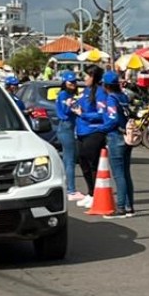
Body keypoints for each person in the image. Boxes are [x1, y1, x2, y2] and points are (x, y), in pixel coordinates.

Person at [77, 70, 134, 218]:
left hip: (116, 137)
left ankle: (121, 207)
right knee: (126, 173)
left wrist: (100, 129)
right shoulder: (123, 97)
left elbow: (112, 119)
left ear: (106, 85)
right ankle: (129, 206)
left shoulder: (111, 99)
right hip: (127, 137)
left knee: (119, 175)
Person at [71, 65, 107, 208]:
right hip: (81, 131)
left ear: (94, 77)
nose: (84, 78)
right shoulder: (85, 91)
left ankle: (96, 194)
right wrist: (72, 105)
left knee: (93, 163)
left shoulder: (100, 93)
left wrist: (84, 114)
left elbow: (102, 114)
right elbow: (80, 106)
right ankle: (90, 192)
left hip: (94, 131)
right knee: (82, 161)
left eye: (87, 76)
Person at [55, 70, 83, 201]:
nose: (73, 84)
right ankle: (71, 190)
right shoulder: (64, 95)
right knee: (70, 159)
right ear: (64, 83)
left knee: (67, 159)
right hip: (66, 126)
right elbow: (66, 111)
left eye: (74, 82)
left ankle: (67, 187)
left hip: (67, 126)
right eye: (70, 82)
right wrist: (71, 104)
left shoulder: (67, 94)